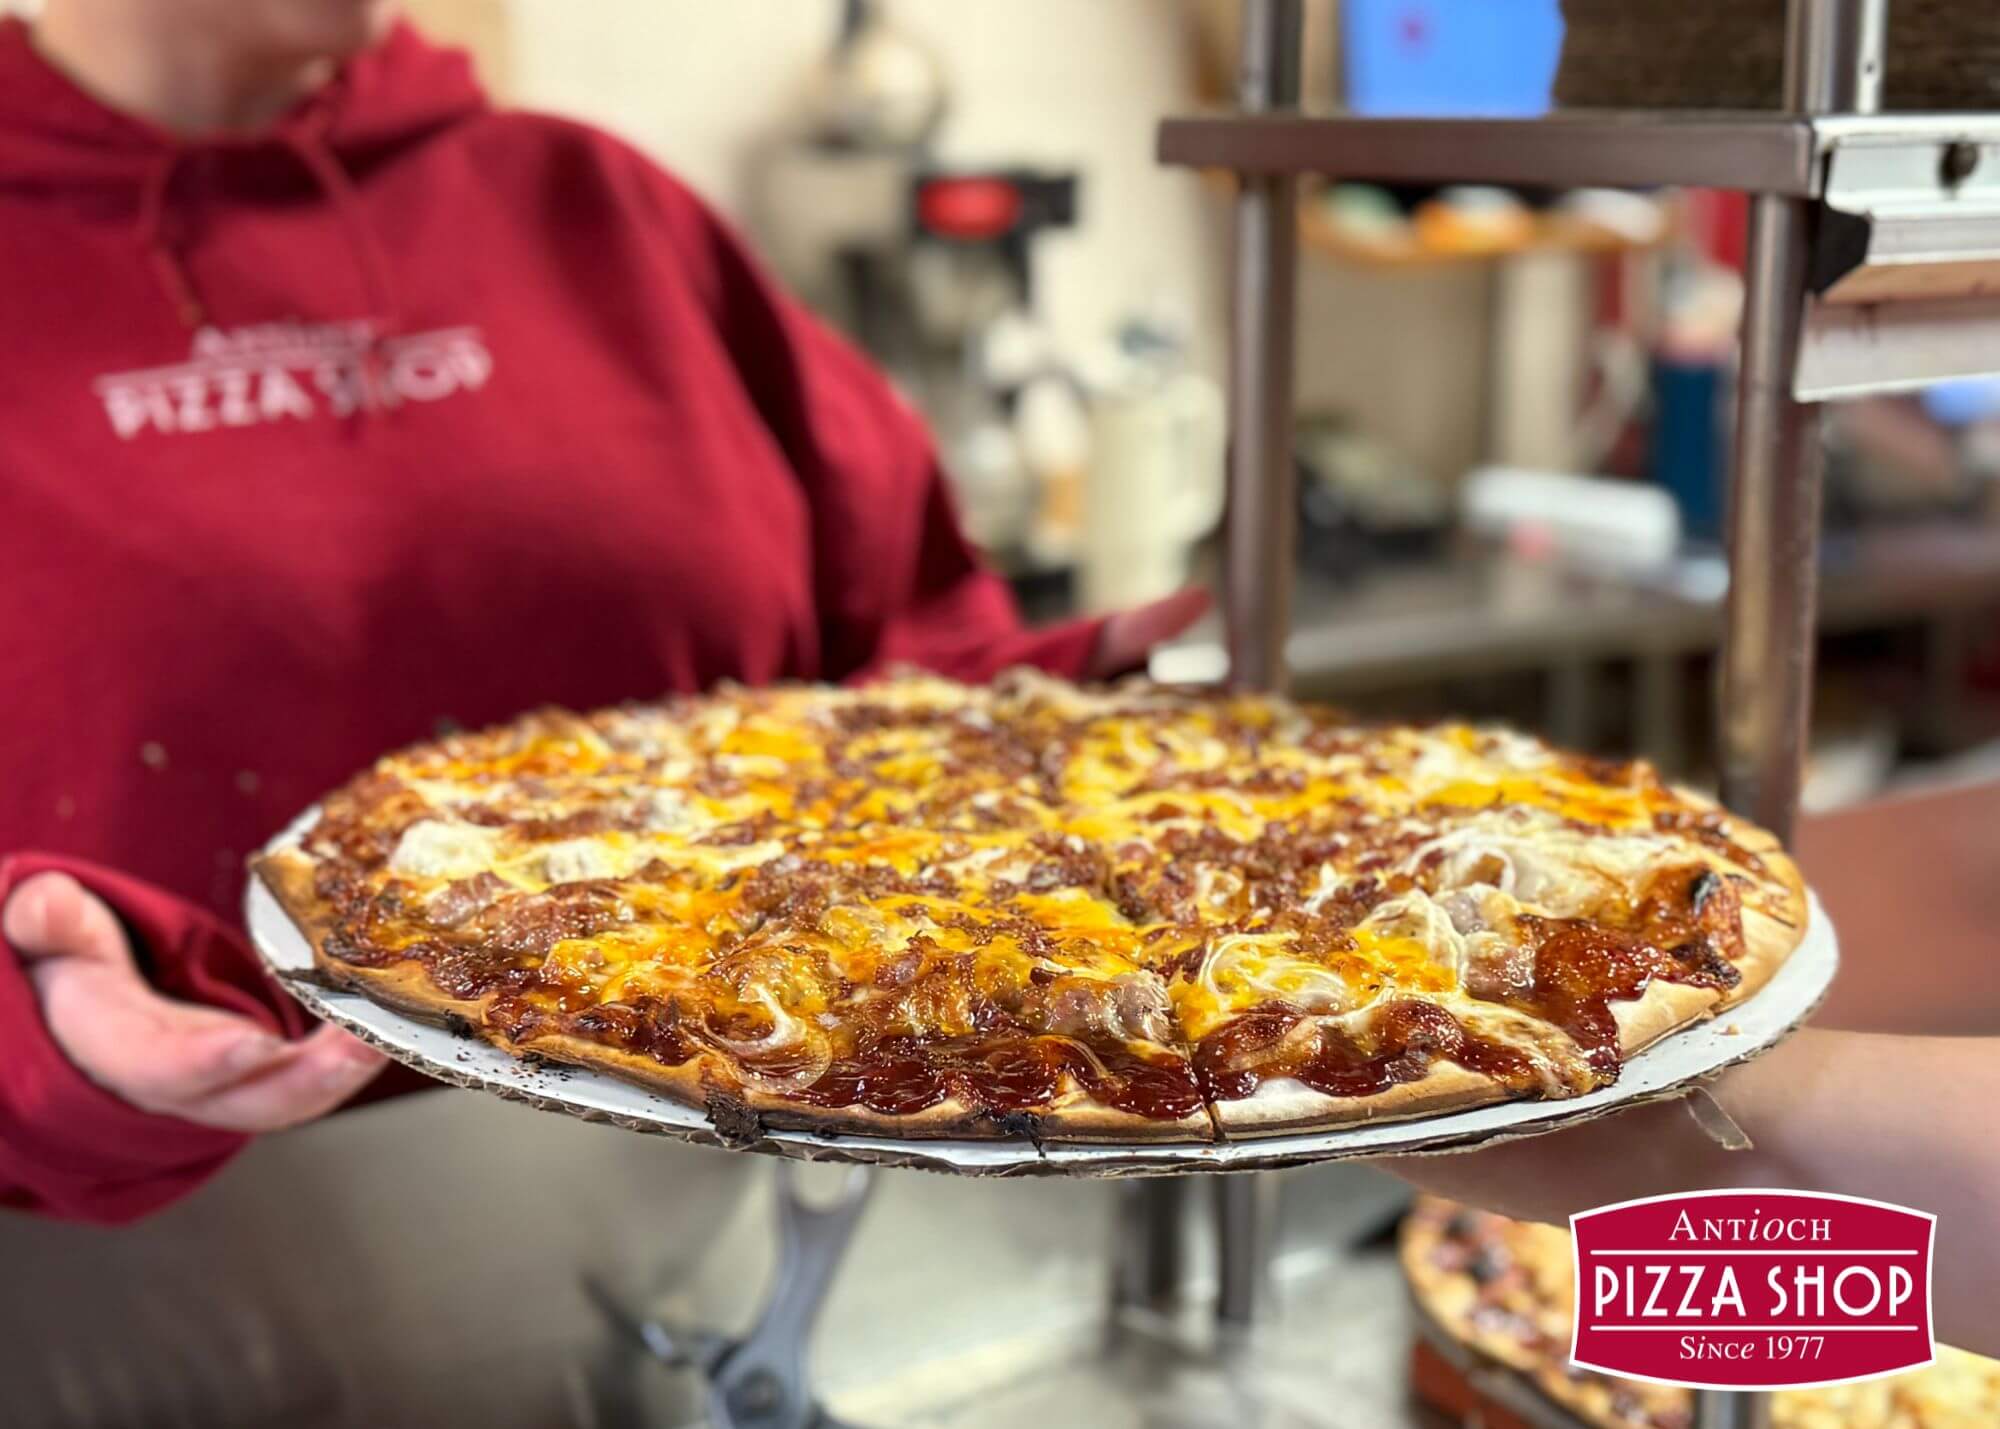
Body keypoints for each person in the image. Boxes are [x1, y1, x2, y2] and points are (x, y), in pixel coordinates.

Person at [0, 0, 1203, 1223]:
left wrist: (1037, 715)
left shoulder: (592, 205)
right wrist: (27, 1041)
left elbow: (895, 638)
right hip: (135, 1283)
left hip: (729, 1227)